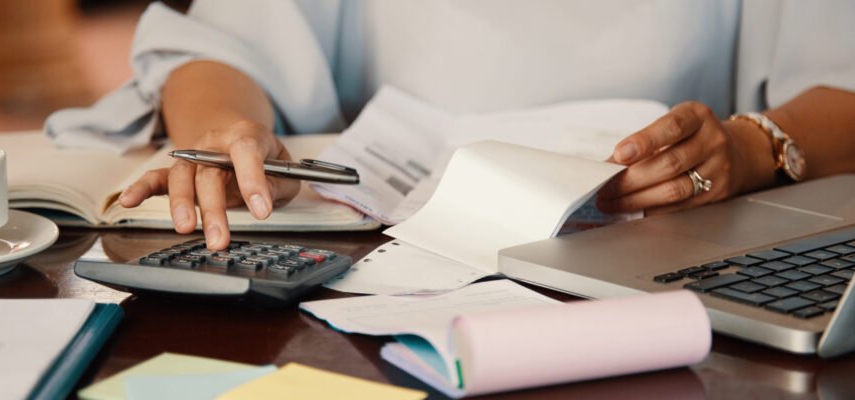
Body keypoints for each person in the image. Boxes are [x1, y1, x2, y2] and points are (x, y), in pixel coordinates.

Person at [46, 0, 855, 251]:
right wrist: (226, 130)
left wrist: (751, 148)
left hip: (668, 247)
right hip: (393, 251)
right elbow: (221, 50)